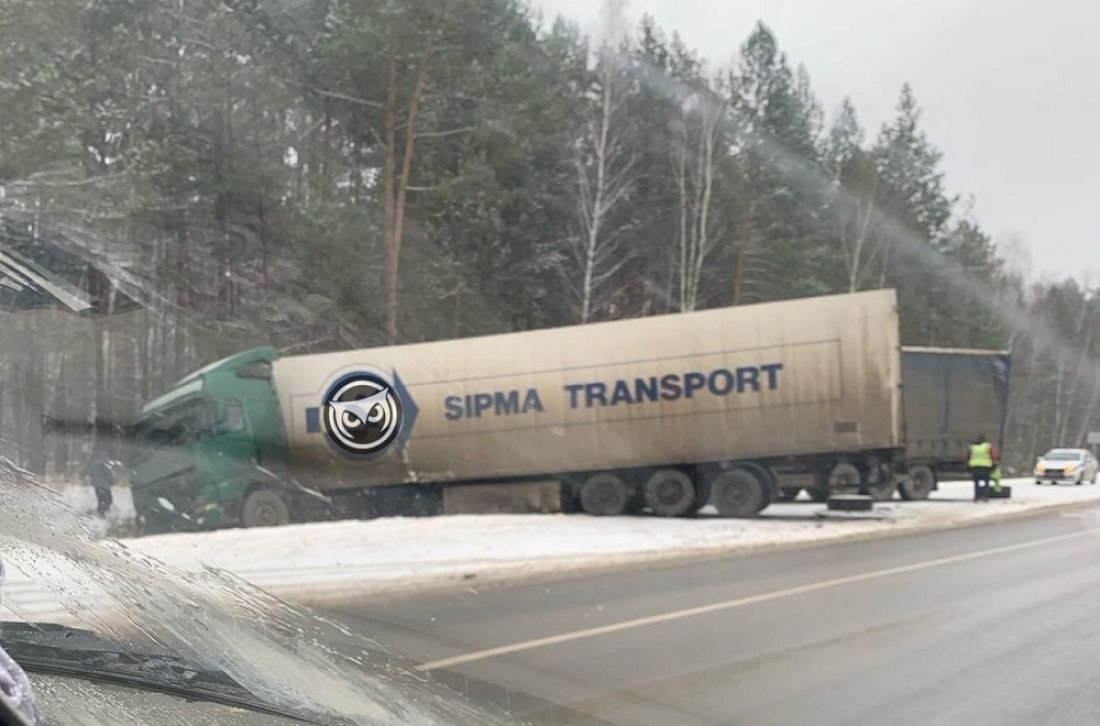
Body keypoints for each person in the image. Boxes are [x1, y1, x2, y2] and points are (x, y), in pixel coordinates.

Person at [83, 448, 114, 518]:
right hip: (105, 485)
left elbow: (87, 470)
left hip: (97, 484)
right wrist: (112, 481)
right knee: (107, 499)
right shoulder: (104, 463)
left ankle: (101, 511)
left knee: (101, 498)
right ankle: (102, 512)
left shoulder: (93, 462)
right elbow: (108, 474)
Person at [968, 434, 999, 502]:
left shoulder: (972, 447)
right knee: (986, 482)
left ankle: (976, 497)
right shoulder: (988, 446)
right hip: (986, 466)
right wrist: (995, 464)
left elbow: (968, 456)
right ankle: (984, 496)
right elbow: (993, 455)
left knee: (976, 482)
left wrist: (968, 464)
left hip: (975, 466)